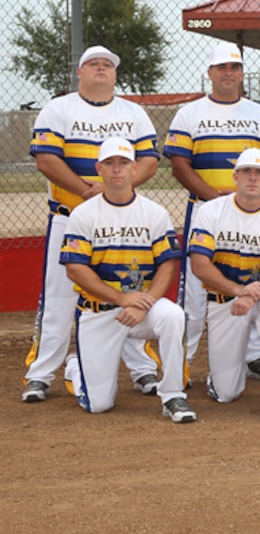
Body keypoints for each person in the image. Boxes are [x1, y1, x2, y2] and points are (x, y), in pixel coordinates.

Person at [23, 45, 161, 403]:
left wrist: (109, 190)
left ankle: (143, 369)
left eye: (108, 65)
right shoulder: (59, 108)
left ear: (115, 75)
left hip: (123, 223)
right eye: (93, 64)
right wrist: (88, 191)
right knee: (58, 299)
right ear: (80, 74)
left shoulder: (133, 112)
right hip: (69, 219)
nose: (101, 69)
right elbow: (46, 160)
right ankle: (41, 374)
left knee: (127, 290)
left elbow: (148, 161)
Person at [163, 41, 260, 372]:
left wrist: (243, 199)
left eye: (235, 67)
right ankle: (182, 361)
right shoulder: (189, 113)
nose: (229, 73)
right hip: (205, 208)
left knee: (252, 273)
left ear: (242, 73)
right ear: (210, 73)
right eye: (222, 68)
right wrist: (216, 200)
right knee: (196, 290)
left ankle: (253, 354)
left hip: (251, 210)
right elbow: (179, 165)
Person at [60, 137, 194, 423]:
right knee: (98, 405)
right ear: (99, 168)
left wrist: (144, 303)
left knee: (172, 315)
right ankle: (76, 366)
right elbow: (75, 269)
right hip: (100, 312)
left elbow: (168, 264)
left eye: (123, 163)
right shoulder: (83, 214)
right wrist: (121, 299)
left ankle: (173, 395)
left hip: (140, 307)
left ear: (134, 168)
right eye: (109, 163)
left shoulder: (154, 213)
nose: (116, 169)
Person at [187, 148, 260, 421]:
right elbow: (200, 264)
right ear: (235, 177)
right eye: (247, 172)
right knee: (226, 393)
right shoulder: (211, 212)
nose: (253, 177)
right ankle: (225, 376)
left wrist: (254, 293)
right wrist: (238, 290)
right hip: (226, 300)